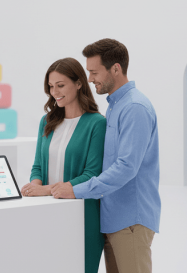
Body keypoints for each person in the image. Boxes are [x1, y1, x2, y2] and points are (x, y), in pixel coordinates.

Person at [51, 38, 161, 273]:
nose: (90, 79)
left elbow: (126, 168)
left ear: (116, 69)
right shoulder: (114, 106)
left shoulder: (134, 108)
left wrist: (75, 189)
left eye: (94, 72)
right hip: (113, 220)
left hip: (131, 221)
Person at [21, 57, 107, 273]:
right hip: (47, 212)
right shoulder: (47, 121)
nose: (54, 92)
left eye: (60, 86)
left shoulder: (97, 123)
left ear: (79, 84)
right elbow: (38, 166)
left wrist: (45, 190)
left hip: (83, 215)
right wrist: (34, 187)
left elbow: (92, 174)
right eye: (51, 86)